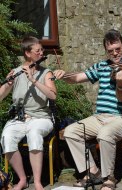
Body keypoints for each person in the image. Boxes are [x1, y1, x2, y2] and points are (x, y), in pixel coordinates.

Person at [54, 29, 122, 190]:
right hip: (99, 117)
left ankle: (109, 178)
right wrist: (64, 75)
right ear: (105, 51)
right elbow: (78, 78)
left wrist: (121, 83)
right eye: (110, 51)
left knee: (105, 134)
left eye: (118, 49)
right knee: (70, 131)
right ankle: (92, 171)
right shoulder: (102, 66)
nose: (115, 53)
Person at [0, 36, 57, 190]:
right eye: (37, 50)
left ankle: (37, 182)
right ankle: (23, 179)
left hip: (41, 117)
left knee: (34, 133)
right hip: (19, 118)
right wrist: (7, 84)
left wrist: (33, 80)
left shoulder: (46, 73)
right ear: (27, 53)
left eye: (42, 50)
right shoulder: (16, 72)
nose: (41, 53)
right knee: (7, 137)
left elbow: (53, 95)